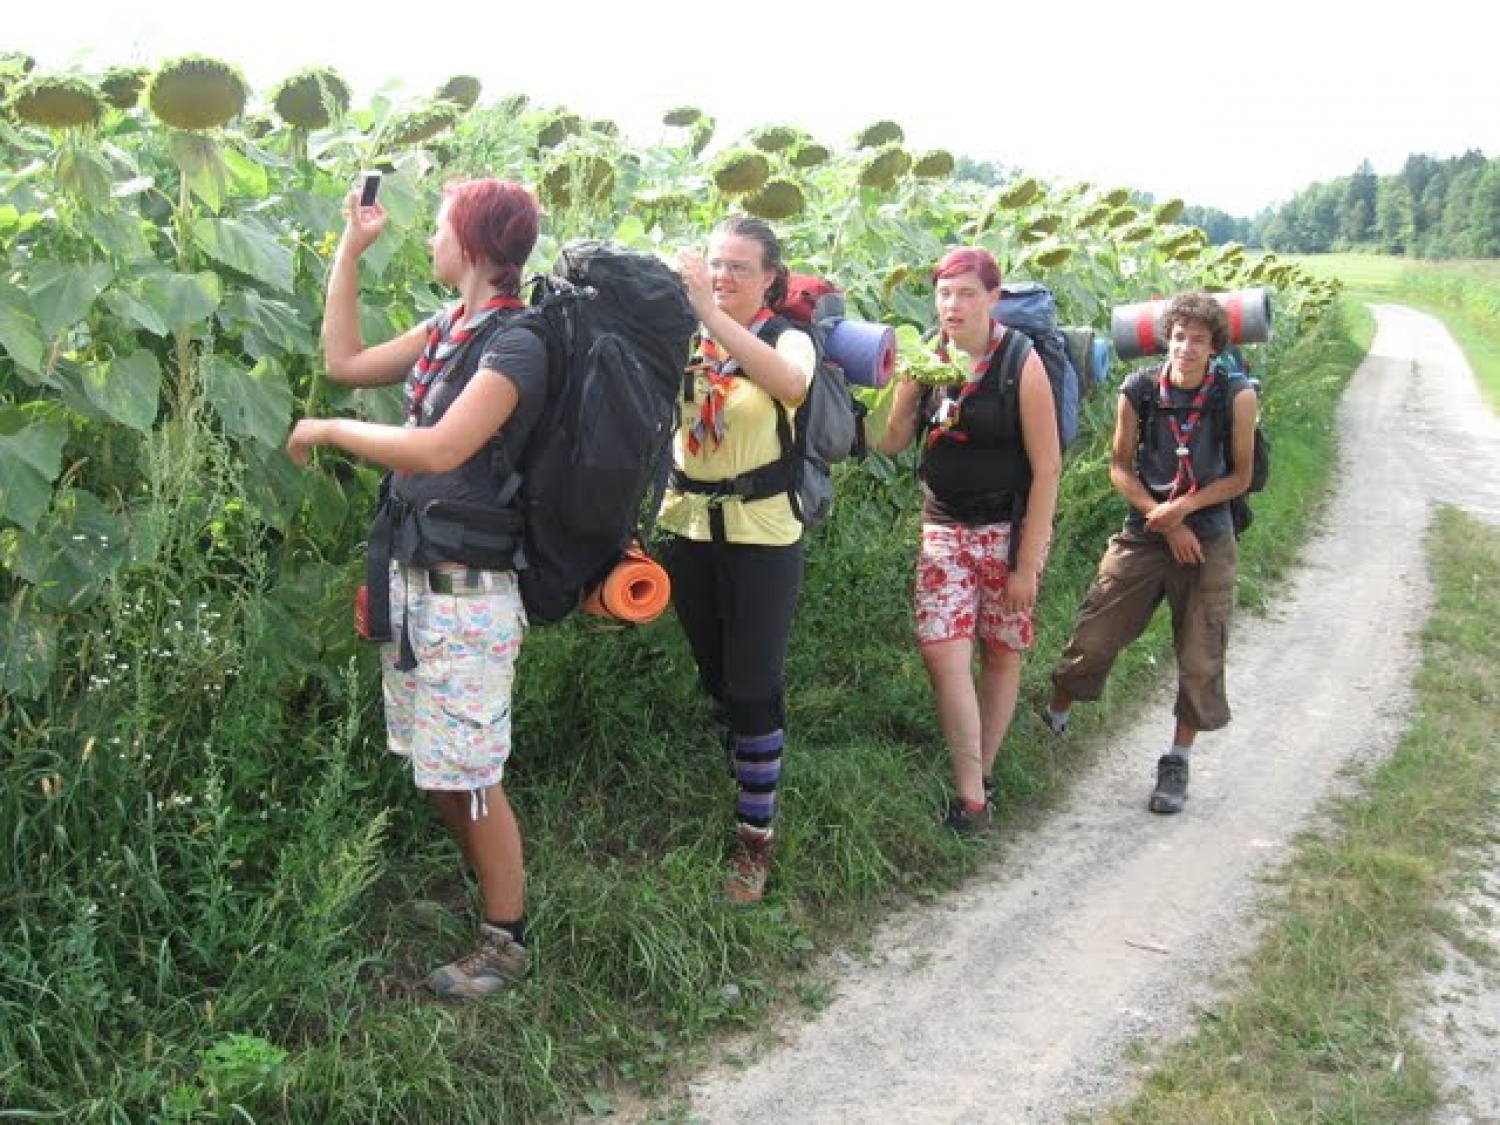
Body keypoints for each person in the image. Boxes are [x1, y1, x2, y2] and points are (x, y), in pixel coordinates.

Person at [286, 177, 546, 997]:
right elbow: (344, 362)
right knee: (440, 767)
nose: (430, 240)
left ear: (470, 245)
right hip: (418, 582)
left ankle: (506, 942)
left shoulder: (517, 345)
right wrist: (348, 250)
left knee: (470, 772)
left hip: (471, 594)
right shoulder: (450, 328)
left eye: (439, 228)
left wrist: (330, 431)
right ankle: (489, 910)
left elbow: (437, 450)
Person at [1039, 291, 1259, 814]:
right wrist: (1161, 520)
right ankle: (1053, 721)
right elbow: (1120, 467)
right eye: (1179, 337)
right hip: (1145, 531)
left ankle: (1177, 760)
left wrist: (1182, 512)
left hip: (1207, 535)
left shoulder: (1236, 396)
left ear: (1214, 346)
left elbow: (1241, 477)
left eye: (1198, 340)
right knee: (1095, 634)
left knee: (1201, 652)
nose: (1185, 347)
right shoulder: (1139, 389)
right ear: (1165, 338)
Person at [657, 216, 818, 904]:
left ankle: (755, 841)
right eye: (715, 265)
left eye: (739, 269)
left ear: (771, 278)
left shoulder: (789, 339)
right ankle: (753, 782)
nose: (723, 278)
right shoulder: (685, 341)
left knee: (753, 687)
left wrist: (705, 311)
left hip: (763, 536)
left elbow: (785, 382)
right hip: (686, 527)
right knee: (723, 685)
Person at [878, 247, 1062, 833]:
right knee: (940, 648)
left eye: (965, 294)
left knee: (1001, 652)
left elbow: (1049, 468)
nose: (952, 306)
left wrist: (1026, 565)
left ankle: (979, 776)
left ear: (991, 298)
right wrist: (903, 384)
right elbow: (891, 443)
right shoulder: (930, 357)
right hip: (944, 526)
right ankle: (971, 794)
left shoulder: (1019, 360)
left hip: (1009, 530)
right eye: (943, 294)